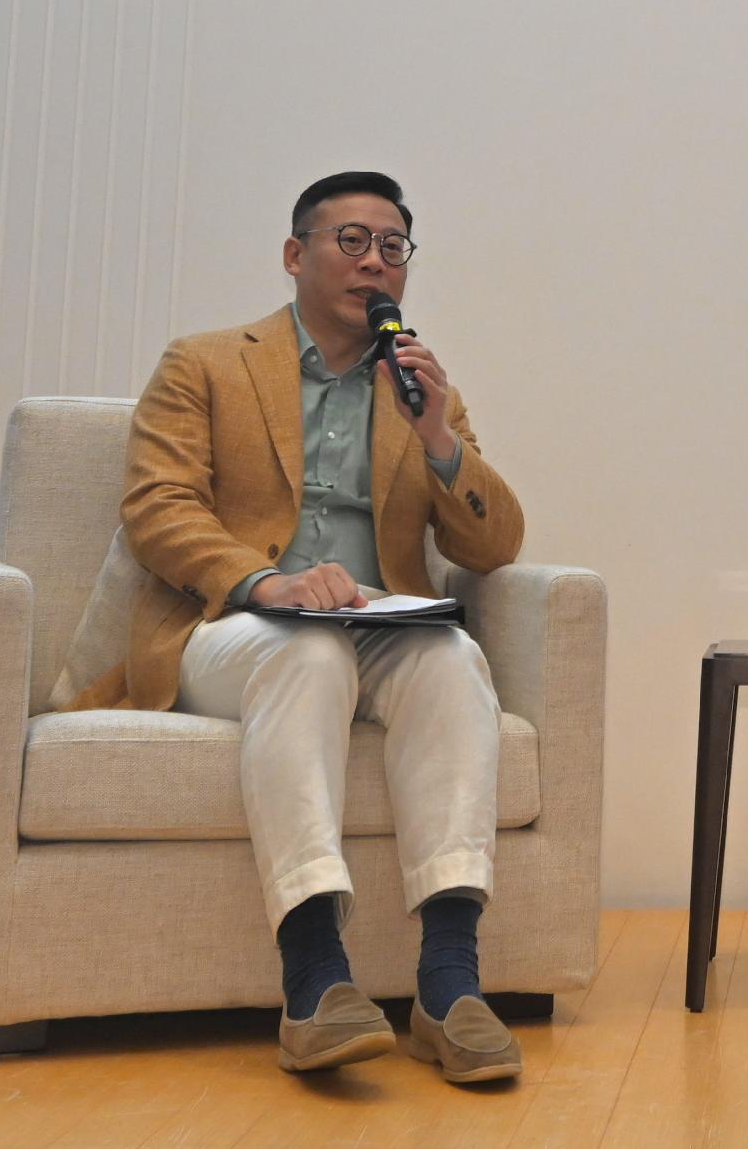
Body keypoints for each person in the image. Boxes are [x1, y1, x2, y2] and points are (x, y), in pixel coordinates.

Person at [69, 172, 530, 1081]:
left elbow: (495, 543)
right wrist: (264, 581)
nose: (373, 262)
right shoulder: (204, 363)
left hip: (380, 624)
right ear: (295, 254)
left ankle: (449, 984)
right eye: (350, 241)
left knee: (452, 654)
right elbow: (157, 506)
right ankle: (314, 980)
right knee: (310, 650)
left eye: (392, 247)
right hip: (236, 627)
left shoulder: (422, 389)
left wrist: (441, 439)